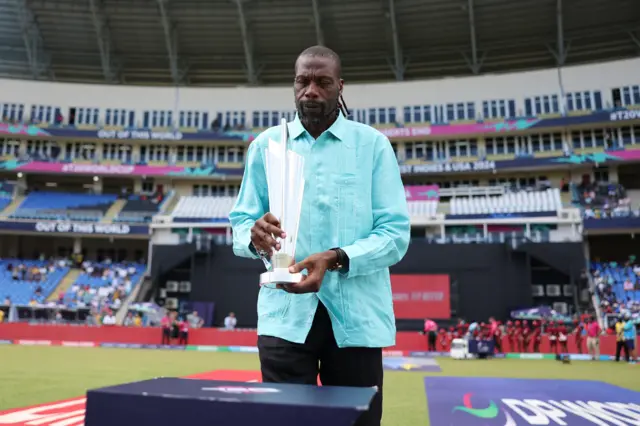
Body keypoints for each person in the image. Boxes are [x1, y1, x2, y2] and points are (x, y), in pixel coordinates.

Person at [229, 45, 410, 426]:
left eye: (322, 82)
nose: (310, 90)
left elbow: (395, 235)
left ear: (340, 86)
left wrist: (334, 258)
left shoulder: (372, 145)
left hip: (356, 319)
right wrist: (254, 235)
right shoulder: (266, 146)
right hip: (284, 314)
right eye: (302, 81)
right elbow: (241, 224)